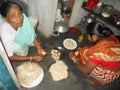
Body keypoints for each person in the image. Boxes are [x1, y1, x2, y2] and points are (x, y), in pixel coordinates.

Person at [69, 21, 120, 86]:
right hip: (117, 68)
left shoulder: (98, 54)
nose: (87, 37)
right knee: (86, 50)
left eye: (88, 35)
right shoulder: (111, 38)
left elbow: (85, 70)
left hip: (109, 76)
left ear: (94, 37)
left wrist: (75, 59)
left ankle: (98, 80)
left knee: (84, 54)